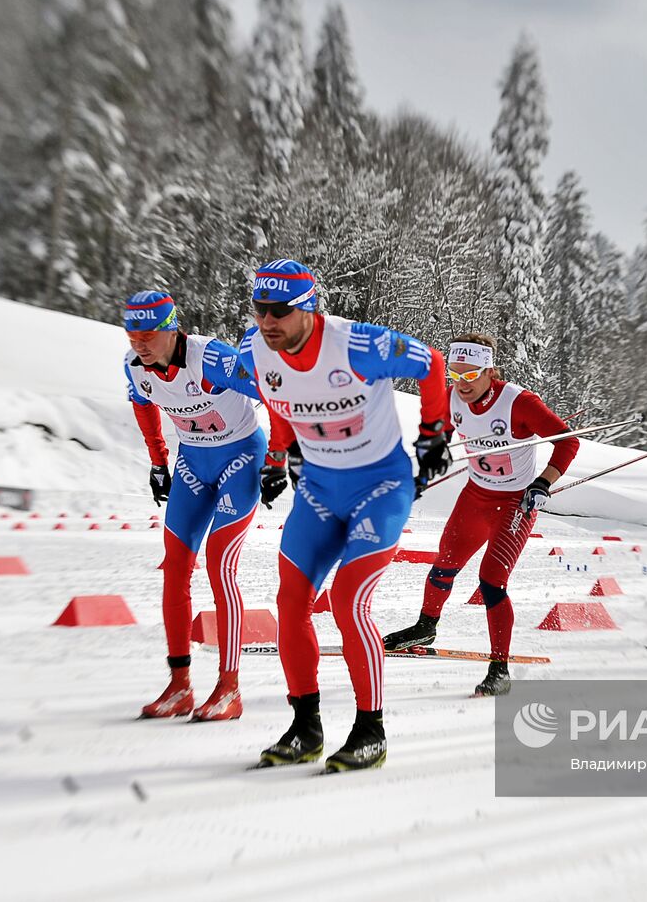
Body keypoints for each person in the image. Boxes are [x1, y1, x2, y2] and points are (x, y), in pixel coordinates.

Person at [239, 259, 449, 773]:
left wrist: (435, 430)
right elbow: (278, 399)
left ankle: (369, 729)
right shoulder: (254, 348)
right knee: (291, 601)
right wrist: (280, 454)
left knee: (350, 601)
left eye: (280, 311)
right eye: (260, 309)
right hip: (318, 490)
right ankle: (305, 728)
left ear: (310, 308)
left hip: (380, 486)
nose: (268, 322)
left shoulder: (358, 345)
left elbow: (433, 363)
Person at [382, 333, 580, 697]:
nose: (462, 385)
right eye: (454, 376)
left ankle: (499, 668)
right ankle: (426, 625)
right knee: (444, 564)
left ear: (490, 371)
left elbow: (568, 441)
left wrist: (543, 482)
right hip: (474, 497)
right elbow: (438, 434)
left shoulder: (519, 402)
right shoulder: (453, 398)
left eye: (470, 376)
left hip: (514, 503)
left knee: (491, 580)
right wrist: (425, 469)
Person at [124, 290, 267, 723]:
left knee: (220, 565)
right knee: (176, 568)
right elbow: (143, 405)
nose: (139, 344)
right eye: (132, 335)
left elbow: (270, 391)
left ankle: (229, 688)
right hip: (191, 464)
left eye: (148, 334)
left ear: (171, 329)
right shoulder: (135, 367)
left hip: (241, 458)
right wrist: (157, 462)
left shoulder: (211, 360)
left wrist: (282, 455)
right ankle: (180, 686)